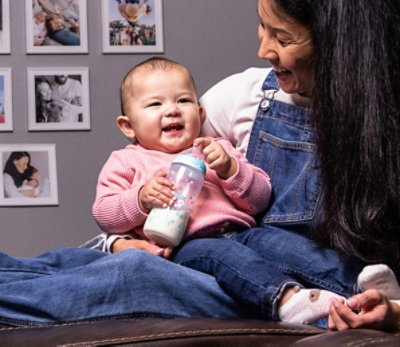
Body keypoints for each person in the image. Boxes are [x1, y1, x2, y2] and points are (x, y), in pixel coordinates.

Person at [0, 0, 399, 331]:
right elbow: (111, 208)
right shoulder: (237, 100)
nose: (262, 49)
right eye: (261, 28)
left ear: (336, 42)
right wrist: (122, 235)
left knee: (281, 246)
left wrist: (230, 168)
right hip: (199, 256)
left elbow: (257, 197)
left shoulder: (212, 143)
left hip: (254, 249)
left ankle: (341, 289)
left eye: (281, 36)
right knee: (92, 264)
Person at [93, 57, 271, 259]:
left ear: (200, 113)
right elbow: (104, 215)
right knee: (229, 259)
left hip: (244, 233)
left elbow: (261, 200)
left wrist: (229, 168)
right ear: (128, 126)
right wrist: (140, 200)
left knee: (286, 245)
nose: (172, 110)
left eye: (183, 100)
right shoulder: (126, 161)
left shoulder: (218, 149)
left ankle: (312, 287)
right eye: (155, 104)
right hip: (191, 246)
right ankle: (285, 292)